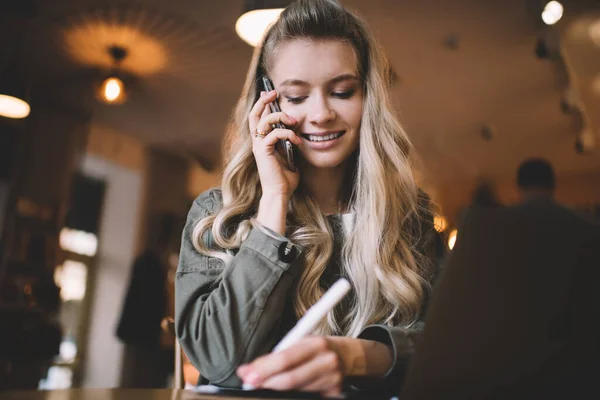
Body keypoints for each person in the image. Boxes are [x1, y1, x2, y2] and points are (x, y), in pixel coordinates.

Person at [175, 0, 435, 397]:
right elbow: (217, 361)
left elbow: (446, 348)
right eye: (296, 97)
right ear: (267, 102)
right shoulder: (217, 216)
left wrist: (357, 356)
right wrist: (274, 202)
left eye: (342, 91)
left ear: (369, 97)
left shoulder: (410, 214)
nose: (321, 113)